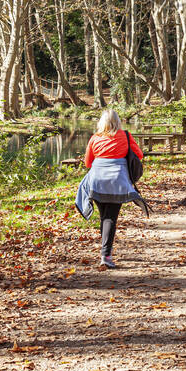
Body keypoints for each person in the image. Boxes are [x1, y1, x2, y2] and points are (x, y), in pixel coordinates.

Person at [75, 109, 148, 269]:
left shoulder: (95, 138)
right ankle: (106, 255)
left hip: (97, 182)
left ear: (102, 122)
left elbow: (88, 163)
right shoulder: (126, 136)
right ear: (118, 122)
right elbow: (140, 155)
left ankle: (105, 251)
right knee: (110, 218)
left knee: (104, 217)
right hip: (117, 182)